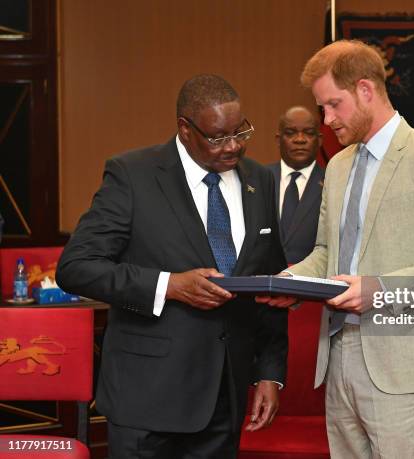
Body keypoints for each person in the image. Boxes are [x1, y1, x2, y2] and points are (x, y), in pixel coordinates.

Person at [262, 40, 414, 459]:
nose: (326, 120)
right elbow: (329, 252)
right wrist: (292, 280)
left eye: (333, 105)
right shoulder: (340, 165)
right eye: (322, 108)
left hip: (401, 360)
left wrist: (379, 289)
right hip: (338, 354)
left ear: (366, 90)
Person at [56, 74, 288, 458]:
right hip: (147, 398)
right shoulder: (133, 175)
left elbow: (269, 285)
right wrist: (168, 286)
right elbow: (77, 267)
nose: (233, 146)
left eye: (241, 131)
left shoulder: (259, 179)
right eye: (218, 137)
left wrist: (269, 373)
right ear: (184, 128)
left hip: (224, 399)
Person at [269, 106, 324, 264]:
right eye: (290, 133)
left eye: (308, 132)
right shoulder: (258, 180)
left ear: (319, 140)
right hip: (263, 282)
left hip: (312, 282)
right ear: (278, 140)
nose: (300, 139)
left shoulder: (333, 183)